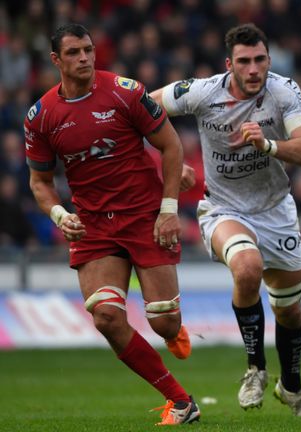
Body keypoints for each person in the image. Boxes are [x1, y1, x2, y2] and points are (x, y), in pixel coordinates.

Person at [24, 24, 199, 426]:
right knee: (105, 316)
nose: (84, 58)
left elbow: (171, 145)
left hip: (145, 216)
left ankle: (173, 330)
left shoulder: (126, 92)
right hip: (93, 226)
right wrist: (59, 214)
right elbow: (40, 181)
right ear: (56, 61)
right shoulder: (41, 116)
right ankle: (181, 401)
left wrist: (169, 209)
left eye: (88, 50)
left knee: (162, 320)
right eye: (73, 53)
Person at [150, 23, 301, 418]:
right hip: (224, 209)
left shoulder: (283, 91)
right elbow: (141, 110)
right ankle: (255, 369)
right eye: (244, 61)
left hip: (277, 210)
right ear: (230, 64)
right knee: (247, 267)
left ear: (269, 61)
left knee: (290, 311)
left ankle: (291, 385)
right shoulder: (203, 92)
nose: (253, 69)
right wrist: (170, 161)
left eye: (260, 60)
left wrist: (268, 143)